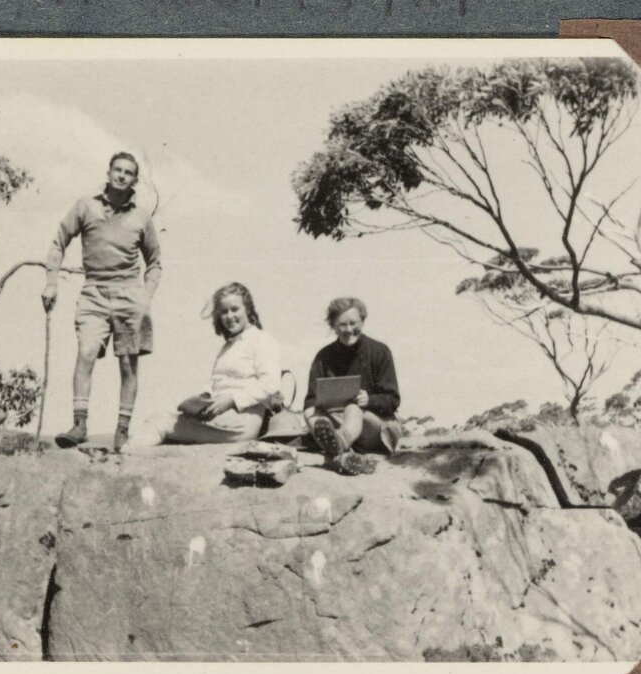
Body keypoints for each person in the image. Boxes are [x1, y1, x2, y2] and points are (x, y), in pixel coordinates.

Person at [41, 151, 161, 452]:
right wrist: (52, 282)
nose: (121, 176)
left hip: (129, 293)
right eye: (117, 170)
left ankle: (122, 430)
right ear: (108, 173)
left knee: (128, 363)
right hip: (93, 291)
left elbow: (155, 262)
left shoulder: (141, 217)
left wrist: (145, 296)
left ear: (135, 179)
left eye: (128, 172)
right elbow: (59, 241)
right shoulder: (86, 206)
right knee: (86, 351)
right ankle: (80, 425)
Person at [132, 282, 281, 446]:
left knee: (162, 421)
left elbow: (271, 384)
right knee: (164, 418)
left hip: (241, 422)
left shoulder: (262, 340)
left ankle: (128, 456)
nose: (229, 316)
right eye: (224, 312)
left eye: (235, 309)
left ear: (248, 309)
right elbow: (217, 382)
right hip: (222, 416)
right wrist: (203, 398)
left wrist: (232, 400)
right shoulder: (229, 346)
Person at [303, 297, 402, 474]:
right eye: (342, 324)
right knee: (310, 412)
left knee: (352, 409)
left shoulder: (380, 351)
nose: (349, 330)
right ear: (333, 326)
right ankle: (342, 456)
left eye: (353, 323)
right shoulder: (323, 357)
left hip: (377, 428)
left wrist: (369, 400)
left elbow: (393, 399)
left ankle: (339, 443)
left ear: (363, 321)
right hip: (336, 421)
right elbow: (311, 401)